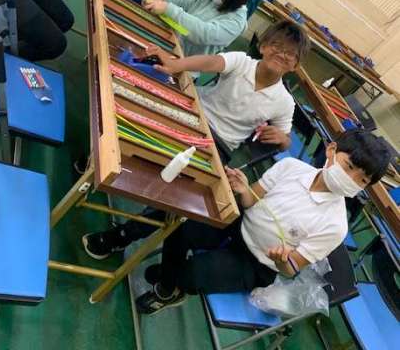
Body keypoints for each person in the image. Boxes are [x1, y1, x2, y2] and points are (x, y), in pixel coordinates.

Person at [81, 20, 310, 259]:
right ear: (263, 46)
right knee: (138, 124)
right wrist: (176, 65)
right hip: (194, 115)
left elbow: (285, 139)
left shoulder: (284, 102)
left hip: (219, 145)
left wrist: (282, 138)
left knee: (177, 196)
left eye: (290, 54)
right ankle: (94, 163)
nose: (282, 54)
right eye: (277, 46)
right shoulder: (242, 62)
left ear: (295, 65)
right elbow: (212, 62)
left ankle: (122, 236)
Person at [134, 130, 390, 314]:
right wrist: (244, 188)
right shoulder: (291, 167)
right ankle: (169, 283)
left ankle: (172, 285)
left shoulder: (335, 225)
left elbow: (290, 269)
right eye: (349, 166)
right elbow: (250, 202)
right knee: (181, 226)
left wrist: (281, 260)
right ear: (331, 150)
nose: (350, 179)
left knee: (191, 273)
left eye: (362, 180)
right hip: (238, 225)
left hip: (257, 264)